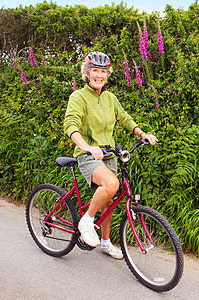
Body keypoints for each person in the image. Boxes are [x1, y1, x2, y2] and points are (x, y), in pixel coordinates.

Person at [63, 51, 157, 259]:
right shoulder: (78, 97)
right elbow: (70, 125)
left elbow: (124, 118)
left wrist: (142, 134)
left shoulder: (110, 98)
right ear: (87, 73)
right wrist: (86, 147)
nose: (99, 75)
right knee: (112, 184)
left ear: (108, 74)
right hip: (89, 156)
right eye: (95, 70)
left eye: (103, 71)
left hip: (109, 155)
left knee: (108, 201)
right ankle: (87, 221)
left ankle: (105, 242)